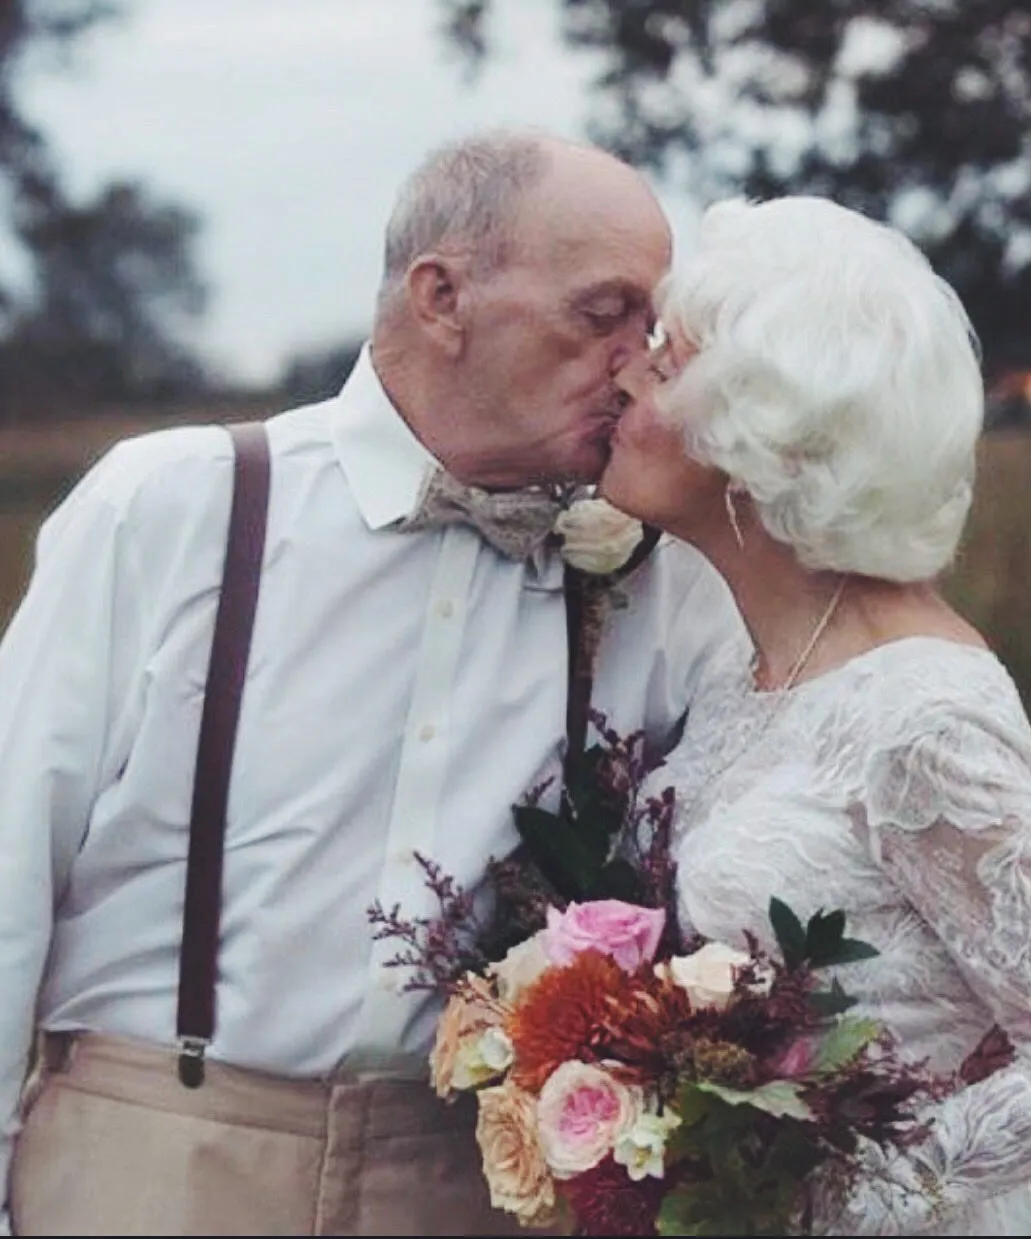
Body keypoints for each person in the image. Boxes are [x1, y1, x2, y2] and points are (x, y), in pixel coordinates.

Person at [0, 129, 743, 1236]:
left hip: (462, 1182)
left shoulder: (654, 582)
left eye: (653, 327)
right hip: (148, 1158)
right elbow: (10, 858)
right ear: (441, 295)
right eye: (603, 315)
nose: (639, 363)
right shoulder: (175, 506)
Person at [599, 195, 1031, 1235]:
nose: (625, 374)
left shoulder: (924, 716)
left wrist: (825, 1193)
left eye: (667, 361)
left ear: (762, 429)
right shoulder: (744, 663)